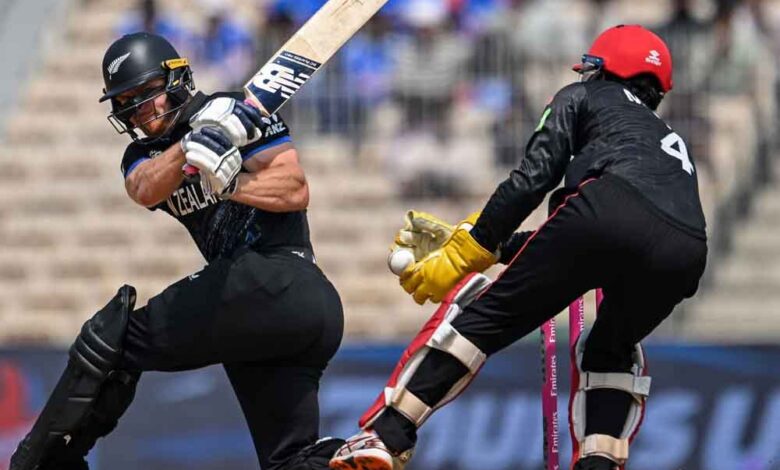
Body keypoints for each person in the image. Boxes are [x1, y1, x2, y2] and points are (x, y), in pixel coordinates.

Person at [330, 25, 707, 470]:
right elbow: (612, 231)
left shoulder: (582, 96)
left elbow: (533, 180)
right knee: (611, 349)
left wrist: (473, 246)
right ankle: (599, 464)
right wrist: (502, 246)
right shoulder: (667, 138)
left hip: (600, 215)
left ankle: (386, 435)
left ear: (608, 69)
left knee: (483, 316)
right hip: (686, 250)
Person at [10, 32, 344, 470]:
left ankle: (41, 462)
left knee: (112, 340)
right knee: (288, 461)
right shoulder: (142, 152)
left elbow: (294, 190)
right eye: (126, 102)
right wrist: (189, 146)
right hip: (263, 318)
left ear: (176, 81)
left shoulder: (235, 112)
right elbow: (143, 187)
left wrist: (230, 183)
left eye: (145, 94)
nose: (138, 110)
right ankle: (358, 451)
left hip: (279, 279)